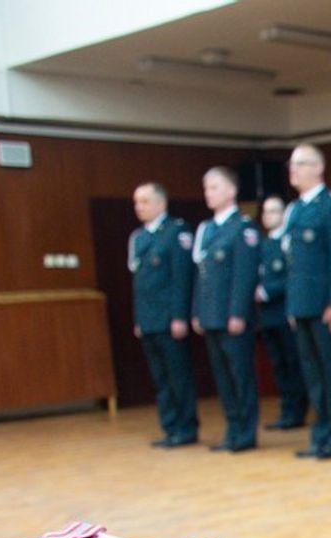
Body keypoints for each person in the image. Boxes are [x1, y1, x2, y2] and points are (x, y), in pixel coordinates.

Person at [283, 143, 331, 460]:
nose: (293, 170)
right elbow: (292, 263)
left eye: (300, 164)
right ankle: (321, 433)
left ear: (318, 168)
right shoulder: (295, 210)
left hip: (325, 305)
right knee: (312, 375)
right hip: (302, 304)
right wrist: (292, 305)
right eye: (292, 164)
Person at [191, 166, 261, 452]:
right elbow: (201, 275)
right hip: (211, 314)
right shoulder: (206, 229)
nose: (208, 193)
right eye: (206, 188)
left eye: (214, 187)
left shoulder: (243, 228)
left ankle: (246, 432)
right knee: (223, 378)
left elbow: (245, 275)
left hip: (232, 316)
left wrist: (237, 312)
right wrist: (197, 310)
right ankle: (232, 429)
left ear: (231, 191)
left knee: (240, 375)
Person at [128, 182, 197, 448]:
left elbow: (181, 278)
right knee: (161, 379)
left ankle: (186, 428)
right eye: (136, 202)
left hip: (169, 318)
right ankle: (170, 427)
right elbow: (139, 284)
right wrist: (139, 319)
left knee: (178, 376)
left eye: (145, 201)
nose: (139, 207)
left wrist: (179, 316)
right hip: (149, 320)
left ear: (161, 203)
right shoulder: (138, 238)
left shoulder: (176, 232)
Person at [255, 195, 307, 431]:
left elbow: (293, 276)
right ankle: (286, 409)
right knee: (278, 365)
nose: (269, 216)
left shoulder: (289, 242)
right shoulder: (263, 245)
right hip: (267, 316)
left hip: (286, 312)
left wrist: (268, 291)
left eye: (274, 211)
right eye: (266, 212)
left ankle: (297, 411)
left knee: (292, 362)